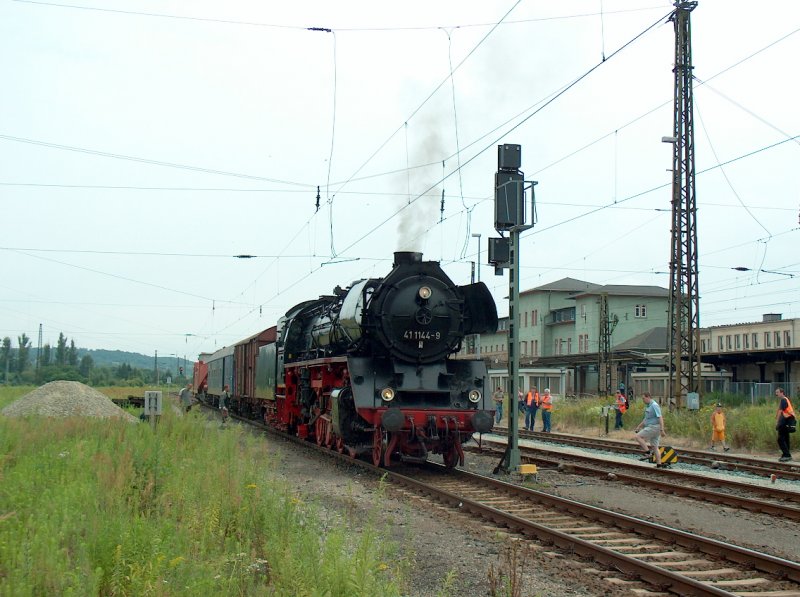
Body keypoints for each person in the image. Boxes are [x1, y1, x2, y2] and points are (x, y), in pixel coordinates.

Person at [633, 392, 666, 467]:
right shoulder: (648, 406)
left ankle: (648, 453)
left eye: (643, 398)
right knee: (655, 446)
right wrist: (639, 426)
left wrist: (662, 429)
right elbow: (646, 419)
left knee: (638, 437)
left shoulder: (654, 405)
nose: (643, 400)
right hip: (653, 427)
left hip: (653, 427)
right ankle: (659, 464)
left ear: (648, 397)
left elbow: (660, 417)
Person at [775, 387, 795, 462]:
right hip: (788, 421)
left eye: (777, 392)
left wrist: (778, 423)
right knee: (786, 438)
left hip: (785, 421)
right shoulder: (785, 399)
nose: (776, 394)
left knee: (780, 439)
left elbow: (781, 412)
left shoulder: (783, 400)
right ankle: (786, 454)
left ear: (782, 392)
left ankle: (787, 455)